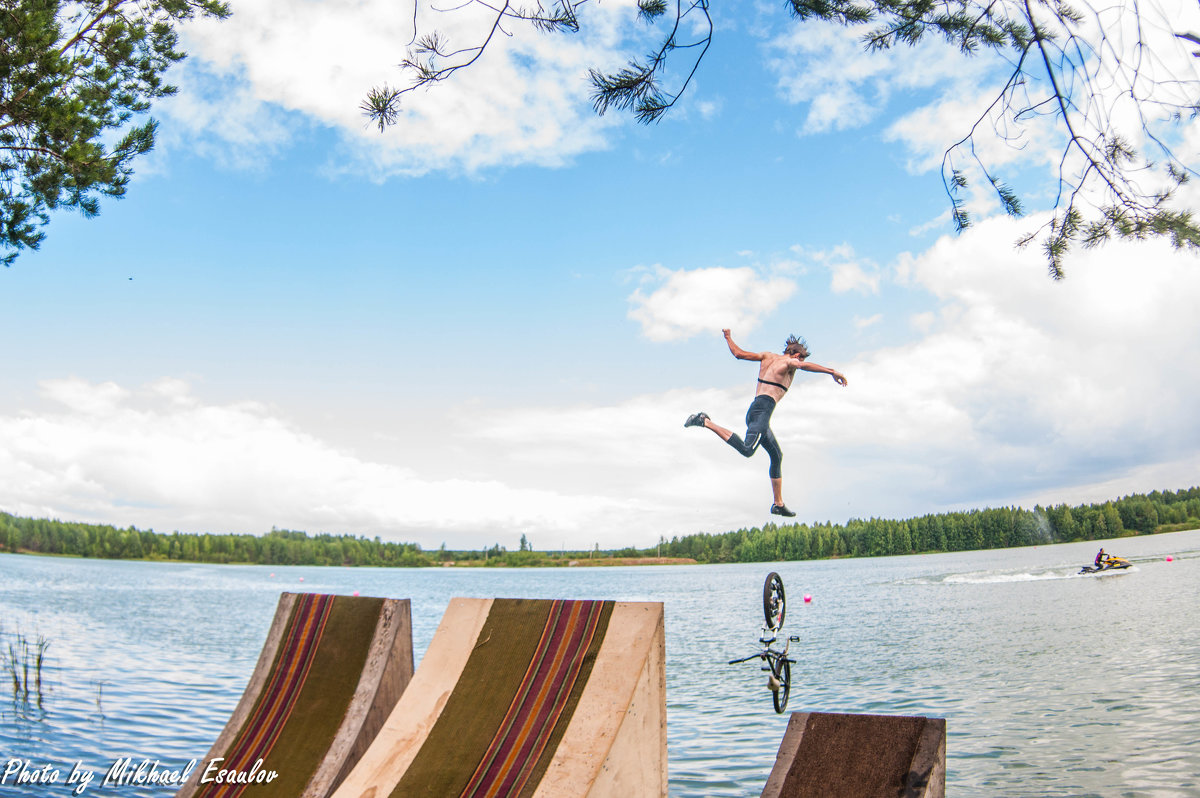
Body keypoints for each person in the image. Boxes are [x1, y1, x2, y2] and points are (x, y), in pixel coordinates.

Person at [685, 329, 847, 517]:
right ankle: (704, 421)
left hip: (756, 410)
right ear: (796, 355)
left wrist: (728, 337)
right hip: (762, 413)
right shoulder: (790, 362)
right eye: (800, 359)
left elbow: (738, 354)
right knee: (747, 450)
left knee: (776, 456)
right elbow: (804, 366)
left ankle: (778, 504)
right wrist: (832, 371)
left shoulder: (767, 356)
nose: (799, 363)